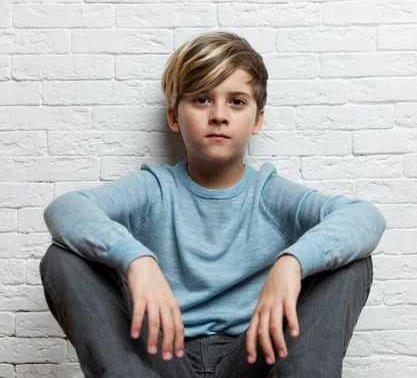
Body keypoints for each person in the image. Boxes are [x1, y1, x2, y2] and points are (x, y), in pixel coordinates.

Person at [39, 31, 386, 378]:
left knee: (350, 262)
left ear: (258, 120)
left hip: (253, 356)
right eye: (202, 99)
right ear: (174, 117)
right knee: (63, 258)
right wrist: (136, 260)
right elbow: (67, 209)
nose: (219, 115)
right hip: (162, 359)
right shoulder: (154, 190)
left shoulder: (269, 195)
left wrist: (292, 262)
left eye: (236, 101)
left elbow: (364, 217)